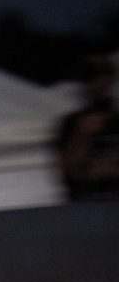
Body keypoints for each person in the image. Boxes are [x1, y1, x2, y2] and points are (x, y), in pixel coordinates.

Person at [55, 54, 119, 203]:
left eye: (107, 80)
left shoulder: (116, 120)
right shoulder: (71, 123)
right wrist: (82, 135)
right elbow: (68, 172)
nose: (102, 85)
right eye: (93, 78)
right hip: (85, 204)